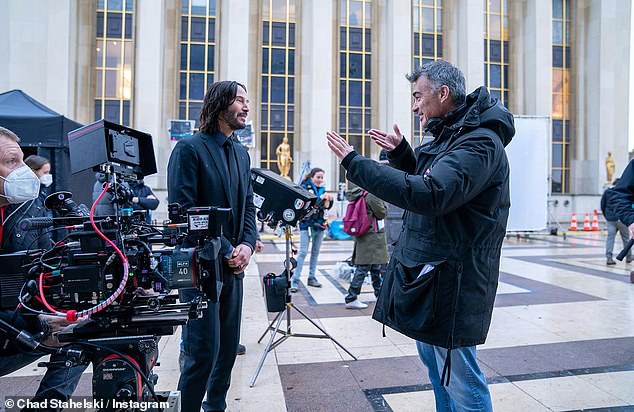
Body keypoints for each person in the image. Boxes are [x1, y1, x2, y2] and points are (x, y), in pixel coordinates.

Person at [326, 60, 514, 412]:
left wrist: (357, 163)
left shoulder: (480, 143)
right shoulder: (454, 134)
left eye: (418, 97)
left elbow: (433, 193)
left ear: (443, 94)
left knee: (461, 381)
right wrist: (401, 155)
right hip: (434, 277)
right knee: (439, 373)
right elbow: (436, 177)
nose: (414, 107)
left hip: (454, 282)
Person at [167, 80, 257, 412]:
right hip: (200, 267)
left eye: (247, 101)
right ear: (220, 104)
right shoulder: (189, 148)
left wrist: (247, 244)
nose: (246, 106)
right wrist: (227, 249)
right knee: (202, 351)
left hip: (234, 264)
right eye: (239, 100)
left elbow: (248, 206)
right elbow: (185, 213)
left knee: (228, 346)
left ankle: (215, 406)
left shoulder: (241, 153)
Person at [0, 128, 85, 406]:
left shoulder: (27, 207)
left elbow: (44, 270)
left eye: (23, 161)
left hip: (17, 328)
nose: (23, 171)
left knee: (83, 331)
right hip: (14, 329)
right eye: (12, 162)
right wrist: (36, 324)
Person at [344, 182, 389, 309]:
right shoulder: (372, 195)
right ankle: (351, 297)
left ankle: (379, 296)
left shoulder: (362, 193)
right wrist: (385, 204)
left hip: (367, 236)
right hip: (372, 238)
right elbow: (382, 213)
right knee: (363, 268)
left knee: (375, 267)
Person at [290, 167, 333, 292]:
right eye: (318, 177)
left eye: (322, 177)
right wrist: (322, 199)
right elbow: (309, 206)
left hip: (319, 224)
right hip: (306, 224)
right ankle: (295, 280)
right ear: (312, 177)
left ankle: (312, 277)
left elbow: (325, 208)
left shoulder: (322, 189)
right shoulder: (305, 187)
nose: (320, 180)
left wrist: (330, 200)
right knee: (303, 252)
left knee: (315, 251)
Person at [600, 179, 632, 265]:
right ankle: (628, 257)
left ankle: (609, 257)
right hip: (622, 219)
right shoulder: (624, 192)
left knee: (610, 238)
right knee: (626, 238)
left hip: (610, 219)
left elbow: (602, 205)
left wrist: (606, 216)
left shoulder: (607, 192)